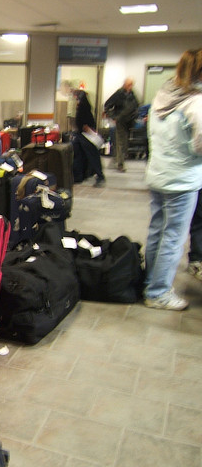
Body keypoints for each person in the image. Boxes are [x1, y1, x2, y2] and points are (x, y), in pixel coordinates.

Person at [143, 48, 202, 310]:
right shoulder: (195, 102)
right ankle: (158, 293)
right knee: (173, 238)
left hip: (159, 174)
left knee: (158, 231)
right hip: (181, 180)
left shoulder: (163, 95)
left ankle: (150, 282)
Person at [71, 89, 105, 187]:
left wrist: (85, 127)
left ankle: (99, 175)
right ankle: (80, 176)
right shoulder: (85, 106)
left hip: (85, 135)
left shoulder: (82, 107)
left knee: (91, 156)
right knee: (81, 156)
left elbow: (85, 122)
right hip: (82, 134)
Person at [104, 77, 139, 172]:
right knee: (120, 142)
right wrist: (114, 116)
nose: (130, 86)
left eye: (131, 85)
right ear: (125, 85)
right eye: (129, 85)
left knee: (125, 143)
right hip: (120, 121)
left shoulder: (132, 94)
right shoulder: (119, 94)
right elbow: (107, 105)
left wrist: (135, 115)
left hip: (129, 122)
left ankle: (120, 160)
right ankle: (120, 164)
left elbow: (136, 105)